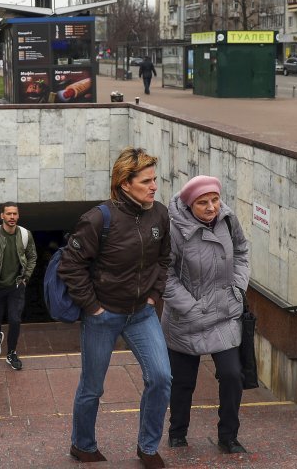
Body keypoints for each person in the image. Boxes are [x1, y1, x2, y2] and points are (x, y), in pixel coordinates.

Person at [58, 147, 172, 468]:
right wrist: (93, 308)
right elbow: (71, 265)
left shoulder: (159, 214)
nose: (154, 186)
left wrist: (153, 296)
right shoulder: (98, 219)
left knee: (161, 378)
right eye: (146, 181)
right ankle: (82, 445)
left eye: (155, 179)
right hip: (103, 315)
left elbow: (165, 259)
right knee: (92, 387)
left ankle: (148, 448)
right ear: (125, 183)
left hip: (142, 313)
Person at [162, 175, 250, 455]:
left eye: (214, 199)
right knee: (183, 381)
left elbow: (242, 251)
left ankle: (228, 436)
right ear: (190, 205)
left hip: (224, 313)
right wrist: (190, 306)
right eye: (203, 202)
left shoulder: (227, 219)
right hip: (186, 317)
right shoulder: (173, 229)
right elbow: (164, 274)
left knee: (232, 374)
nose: (211, 206)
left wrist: (237, 288)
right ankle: (177, 433)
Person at [0, 202, 37, 371]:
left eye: (15, 214)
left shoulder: (25, 235)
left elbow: (32, 257)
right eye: (8, 214)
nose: (12, 217)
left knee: (15, 320)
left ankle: (11, 353)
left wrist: (26, 278)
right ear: (1, 215)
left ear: (18, 216)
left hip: (16, 286)